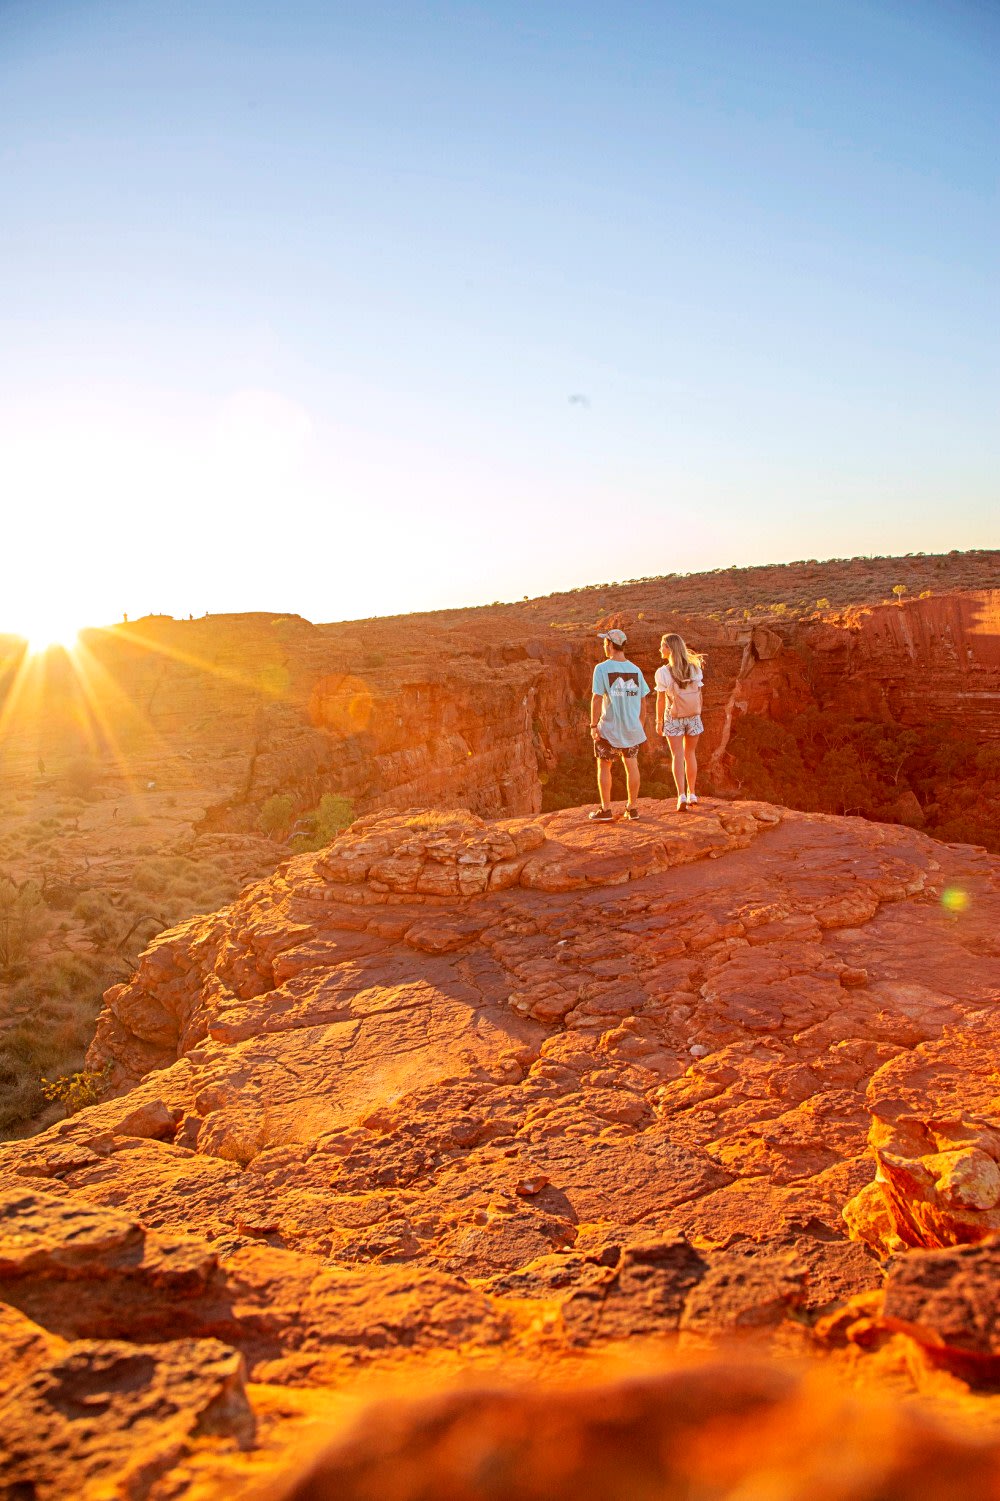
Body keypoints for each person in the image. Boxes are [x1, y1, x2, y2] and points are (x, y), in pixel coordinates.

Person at [588, 628, 650, 822]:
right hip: (632, 728)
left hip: (609, 729)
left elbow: (597, 698)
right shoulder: (636, 670)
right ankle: (632, 808)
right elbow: (643, 700)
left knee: (604, 766)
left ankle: (606, 809)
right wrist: (640, 723)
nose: (603, 646)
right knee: (632, 765)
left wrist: (592, 725)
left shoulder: (602, 668)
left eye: (604, 643)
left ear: (610, 645)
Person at [655, 633, 705, 812]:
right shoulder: (695, 668)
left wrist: (658, 720)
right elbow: (699, 694)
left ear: (669, 649)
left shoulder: (662, 672)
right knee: (690, 753)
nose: (660, 649)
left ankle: (681, 796)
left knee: (677, 755)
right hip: (693, 716)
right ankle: (693, 793)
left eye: (662, 646)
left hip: (673, 716)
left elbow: (661, 699)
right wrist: (696, 713)